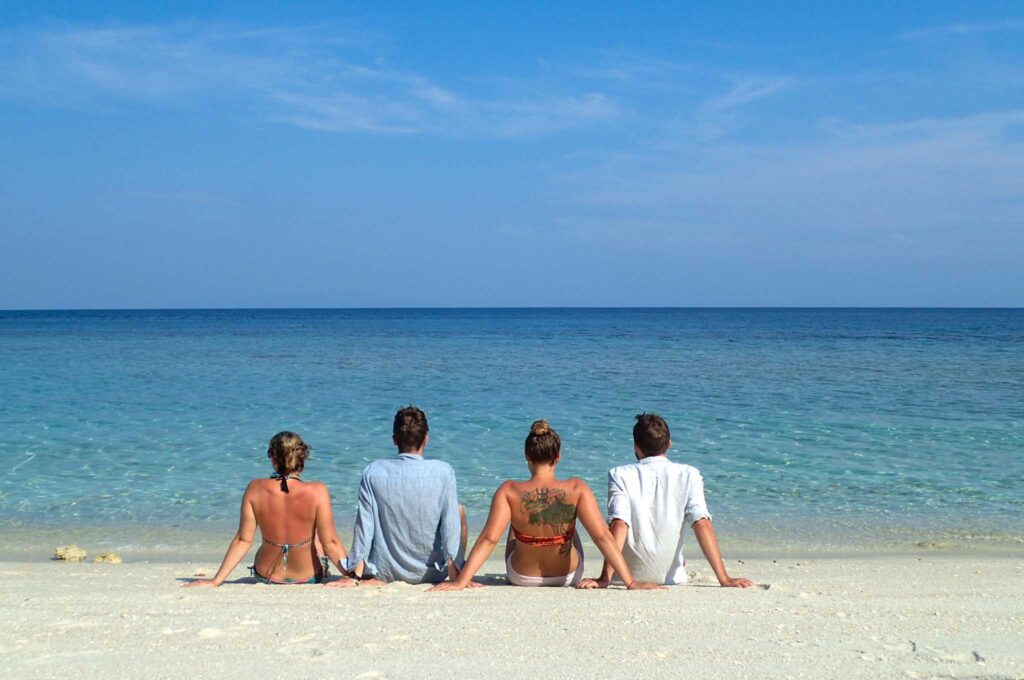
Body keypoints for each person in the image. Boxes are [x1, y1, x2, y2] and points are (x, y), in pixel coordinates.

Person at [430, 419, 664, 591]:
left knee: (516, 521)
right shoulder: (577, 488)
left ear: (526, 455)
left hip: (521, 575)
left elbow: (489, 539)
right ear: (558, 456)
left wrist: (461, 581)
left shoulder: (508, 490)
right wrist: (630, 582)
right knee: (571, 523)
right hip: (568, 575)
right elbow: (603, 536)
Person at [577, 413, 752, 589]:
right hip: (671, 578)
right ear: (669, 444)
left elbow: (619, 524)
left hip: (625, 577)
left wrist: (604, 578)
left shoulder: (619, 474)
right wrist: (724, 578)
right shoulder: (689, 474)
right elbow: (701, 523)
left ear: (636, 447)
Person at [185, 431, 353, 587]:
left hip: (266, 575)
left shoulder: (254, 488)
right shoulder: (318, 491)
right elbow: (330, 543)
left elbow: (243, 540)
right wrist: (352, 577)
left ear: (273, 459)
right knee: (316, 534)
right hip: (309, 576)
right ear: (302, 458)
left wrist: (216, 581)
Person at [333, 406, 467, 585]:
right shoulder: (444, 472)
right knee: (458, 512)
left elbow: (365, 526)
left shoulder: (373, 472)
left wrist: (356, 574)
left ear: (394, 440)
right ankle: (456, 570)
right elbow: (450, 526)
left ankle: (361, 569)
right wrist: (455, 578)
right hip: (433, 574)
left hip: (384, 572)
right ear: (425, 440)